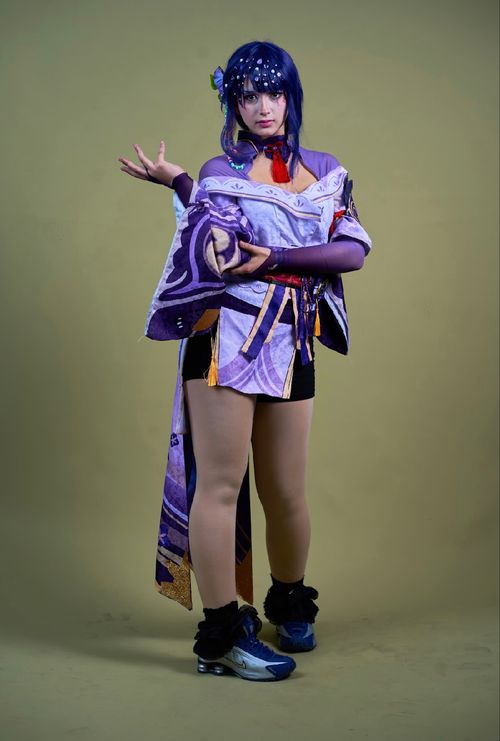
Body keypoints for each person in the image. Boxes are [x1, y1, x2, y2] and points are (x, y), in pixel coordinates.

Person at [118, 40, 372, 682]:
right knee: (221, 484)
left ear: (292, 96)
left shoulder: (327, 169)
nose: (263, 107)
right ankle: (223, 636)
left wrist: (276, 258)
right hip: (224, 338)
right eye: (249, 95)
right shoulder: (219, 169)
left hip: (292, 338)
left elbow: (351, 251)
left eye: (274, 92)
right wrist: (184, 183)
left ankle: (288, 601)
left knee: (285, 490)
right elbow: (223, 250)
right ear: (232, 103)